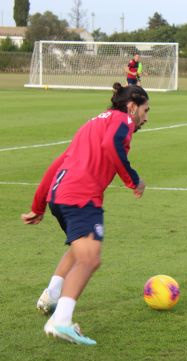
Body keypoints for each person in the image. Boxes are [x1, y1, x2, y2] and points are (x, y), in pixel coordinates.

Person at [21, 84, 150, 345]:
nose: (146, 117)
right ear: (132, 106)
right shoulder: (121, 119)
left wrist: (38, 206)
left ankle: (52, 295)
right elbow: (112, 145)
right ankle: (61, 321)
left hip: (59, 195)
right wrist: (133, 180)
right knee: (90, 259)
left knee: (79, 249)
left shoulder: (92, 123)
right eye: (146, 110)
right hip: (81, 196)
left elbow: (58, 163)